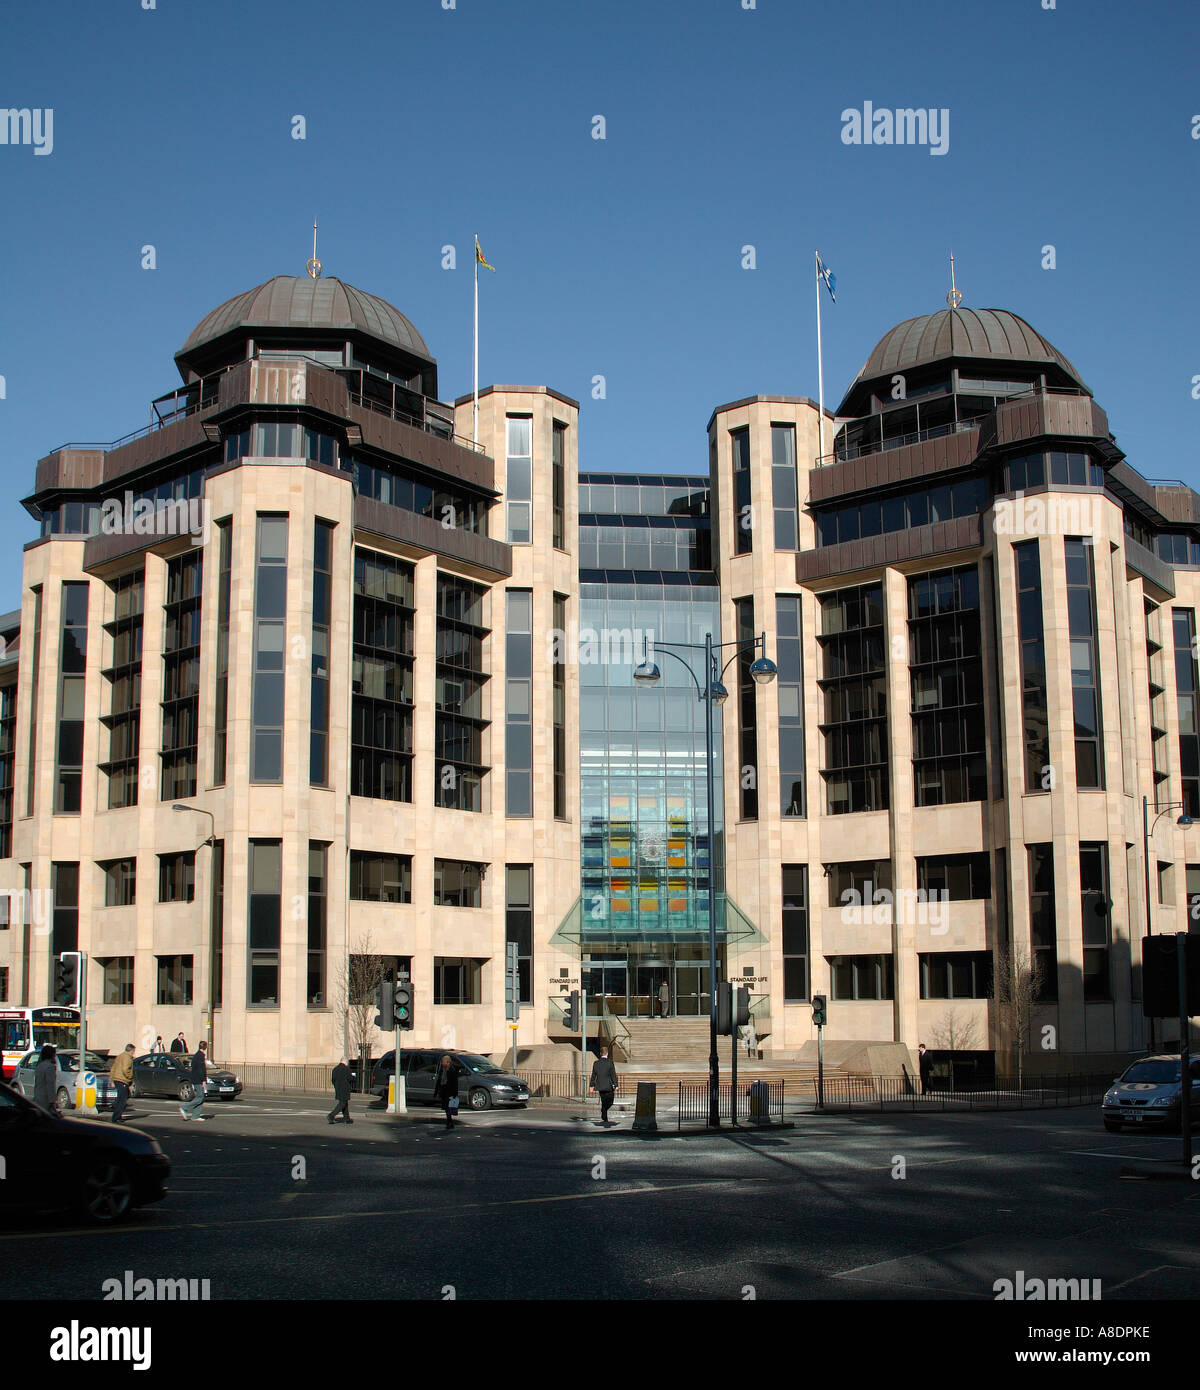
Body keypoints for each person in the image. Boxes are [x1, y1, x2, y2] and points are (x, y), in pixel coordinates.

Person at [589, 1045, 618, 1126]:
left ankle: (604, 1114)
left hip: (600, 1085)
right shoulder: (610, 1062)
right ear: (607, 1053)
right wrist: (616, 1085)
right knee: (610, 1101)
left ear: (600, 1054)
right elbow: (613, 1075)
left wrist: (591, 1086)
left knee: (604, 1101)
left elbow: (593, 1075)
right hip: (609, 1086)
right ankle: (604, 1112)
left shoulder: (596, 1063)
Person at [179, 1041, 209, 1121]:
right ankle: (184, 1108)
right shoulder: (200, 1056)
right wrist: (203, 1080)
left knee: (200, 1097)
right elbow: (201, 1070)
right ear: (205, 1047)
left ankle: (195, 1116)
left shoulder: (197, 1055)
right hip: (198, 1079)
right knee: (200, 1097)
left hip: (196, 1078)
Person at [110, 1043, 135, 1124]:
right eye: (133, 1051)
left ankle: (115, 1106)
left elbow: (113, 1067)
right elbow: (125, 1069)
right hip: (122, 1080)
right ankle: (116, 1117)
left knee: (124, 1095)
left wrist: (112, 1078)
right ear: (131, 1051)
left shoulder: (120, 1056)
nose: (133, 1053)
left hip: (117, 1079)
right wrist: (130, 1077)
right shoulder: (127, 1057)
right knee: (122, 1100)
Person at [433, 1054, 459, 1130]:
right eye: (442, 1062)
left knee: (448, 1108)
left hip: (450, 1092)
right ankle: (449, 1122)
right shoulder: (442, 1070)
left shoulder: (452, 1071)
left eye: (444, 1062)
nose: (442, 1064)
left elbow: (455, 1083)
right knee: (446, 1108)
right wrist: (436, 1091)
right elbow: (439, 1081)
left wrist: (455, 1093)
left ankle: (449, 1122)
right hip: (443, 1091)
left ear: (448, 1063)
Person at [33, 1044, 58, 1113]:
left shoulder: (39, 1066)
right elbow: (50, 1084)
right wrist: (52, 1101)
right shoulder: (50, 1067)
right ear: (52, 1055)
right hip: (45, 1100)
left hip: (37, 1097)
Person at [328, 1057, 353, 1125]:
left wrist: (336, 1085)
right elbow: (350, 1078)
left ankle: (347, 1118)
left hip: (338, 1088)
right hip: (345, 1088)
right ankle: (331, 1115)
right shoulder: (346, 1069)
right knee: (342, 1103)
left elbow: (333, 1079)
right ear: (346, 1062)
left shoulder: (335, 1069)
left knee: (344, 1103)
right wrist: (353, 1077)